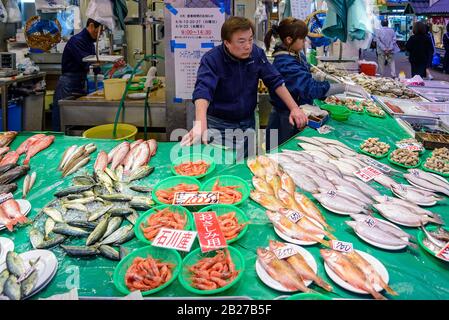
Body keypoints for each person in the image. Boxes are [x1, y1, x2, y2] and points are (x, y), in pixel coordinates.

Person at [180, 16, 308, 158]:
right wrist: (200, 122)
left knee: (248, 164)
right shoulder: (212, 59)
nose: (248, 46)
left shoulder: (256, 54)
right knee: (223, 166)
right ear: (227, 43)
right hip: (220, 125)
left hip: (248, 122)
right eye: (241, 41)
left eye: (250, 39)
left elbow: (275, 80)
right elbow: (203, 90)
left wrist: (294, 108)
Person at [263, 18, 368, 150]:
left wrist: (317, 76)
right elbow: (309, 88)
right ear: (289, 40)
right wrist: (344, 87)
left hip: (293, 115)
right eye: (302, 39)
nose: (305, 42)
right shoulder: (285, 62)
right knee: (278, 156)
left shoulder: (293, 54)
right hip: (284, 120)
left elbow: (302, 77)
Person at [52, 18, 103, 132]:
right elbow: (87, 62)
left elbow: (96, 67)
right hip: (68, 85)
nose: (99, 35)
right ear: (91, 26)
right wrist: (103, 64)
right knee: (63, 122)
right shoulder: (77, 41)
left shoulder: (89, 42)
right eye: (98, 32)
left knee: (75, 120)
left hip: (79, 82)